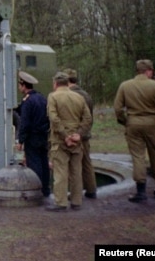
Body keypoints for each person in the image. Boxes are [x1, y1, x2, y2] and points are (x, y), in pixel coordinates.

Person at [114, 60, 155, 202]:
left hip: (133, 123)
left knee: (138, 156)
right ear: (148, 71)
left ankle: (141, 192)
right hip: (153, 123)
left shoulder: (125, 86)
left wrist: (125, 121)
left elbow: (118, 108)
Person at [46, 72, 92, 211]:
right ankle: (76, 201)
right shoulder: (79, 97)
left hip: (60, 140)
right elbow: (87, 119)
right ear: (67, 83)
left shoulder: (53, 96)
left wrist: (65, 136)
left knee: (60, 172)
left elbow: (54, 119)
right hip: (77, 141)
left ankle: (61, 202)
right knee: (76, 172)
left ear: (55, 84)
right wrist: (78, 134)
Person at [16, 71, 51, 197]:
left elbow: (25, 123)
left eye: (20, 85)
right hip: (44, 135)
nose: (19, 87)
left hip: (32, 137)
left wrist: (20, 140)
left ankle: (37, 191)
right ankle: (46, 190)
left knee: (34, 164)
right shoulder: (42, 98)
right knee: (44, 163)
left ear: (24, 85)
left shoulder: (27, 101)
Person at [63, 68, 97, 199]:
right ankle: (91, 189)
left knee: (73, 165)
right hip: (84, 135)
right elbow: (89, 117)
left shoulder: (66, 95)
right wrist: (83, 132)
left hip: (71, 136)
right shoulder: (86, 95)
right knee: (87, 162)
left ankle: (74, 193)